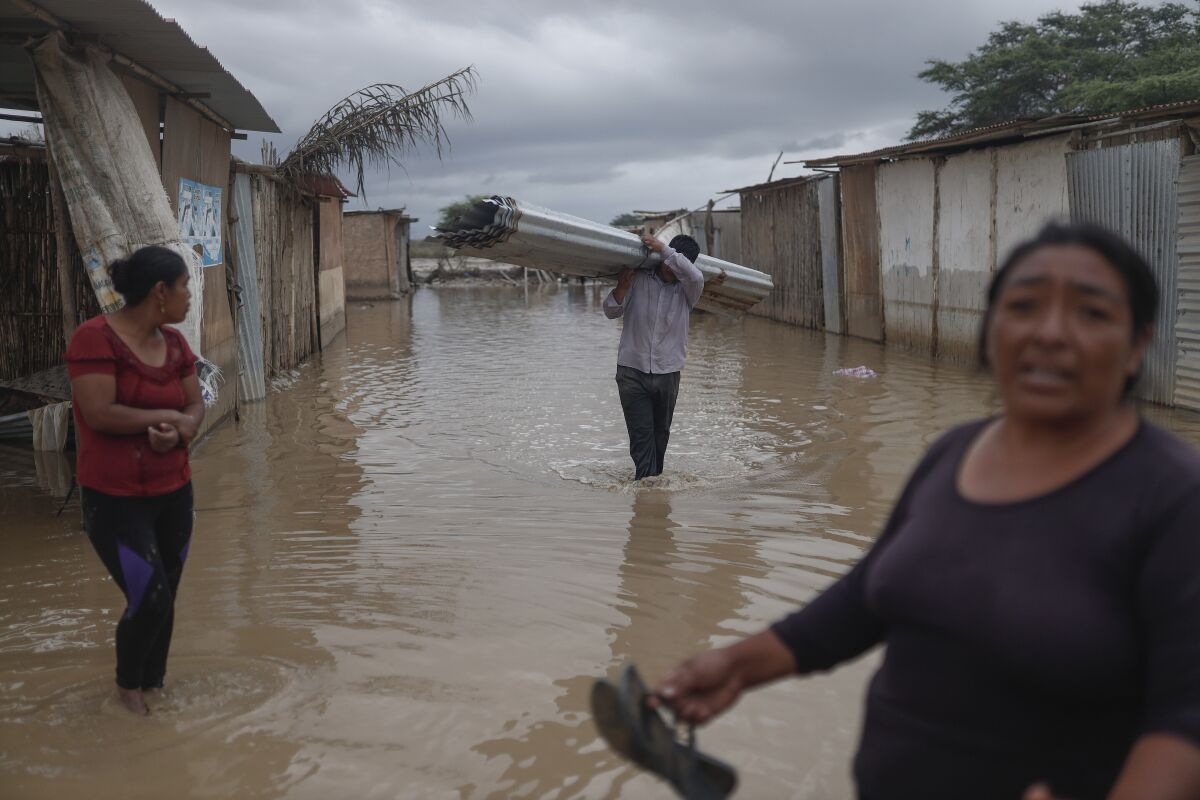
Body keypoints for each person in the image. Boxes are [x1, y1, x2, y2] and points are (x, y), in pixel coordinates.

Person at [650, 223, 1200, 799]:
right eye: (1024, 306)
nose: (1050, 333)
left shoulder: (1171, 498)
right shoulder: (955, 453)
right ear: (992, 331)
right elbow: (867, 598)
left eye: (1091, 313)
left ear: (1137, 343)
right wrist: (737, 666)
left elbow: (1187, 720)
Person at [66, 246, 205, 716]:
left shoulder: (176, 345)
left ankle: (155, 687)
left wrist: (184, 426)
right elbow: (99, 412)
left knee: (167, 593)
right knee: (150, 596)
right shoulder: (94, 339)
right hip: (116, 500)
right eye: (185, 286)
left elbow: (195, 405)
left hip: (174, 492)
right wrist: (170, 416)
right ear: (160, 292)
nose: (189, 295)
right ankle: (128, 692)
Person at [603, 234, 723, 480]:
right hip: (631, 372)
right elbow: (610, 311)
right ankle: (647, 494)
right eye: (666, 261)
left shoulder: (689, 290)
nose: (669, 267)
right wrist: (622, 288)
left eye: (676, 263)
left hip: (668, 373)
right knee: (641, 437)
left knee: (660, 437)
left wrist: (664, 249)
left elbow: (696, 275)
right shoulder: (638, 278)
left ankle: (651, 496)